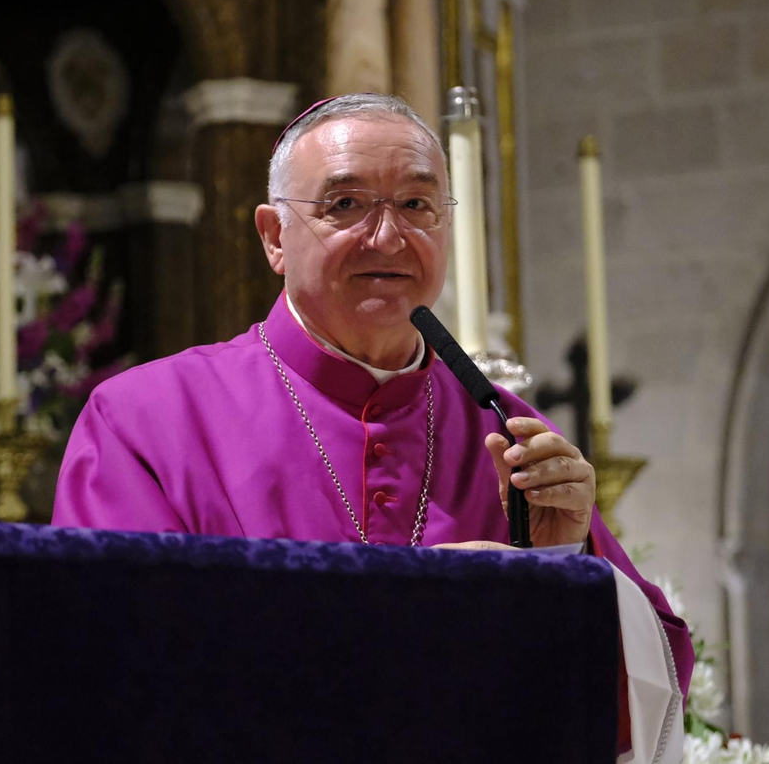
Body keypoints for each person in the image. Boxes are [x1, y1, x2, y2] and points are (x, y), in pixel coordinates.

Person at [52, 94, 691, 750]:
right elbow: (110, 657)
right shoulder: (144, 420)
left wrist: (566, 564)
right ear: (274, 237)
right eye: (345, 204)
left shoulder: (505, 428)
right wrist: (404, 609)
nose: (388, 237)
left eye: (416, 204)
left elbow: (656, 675)